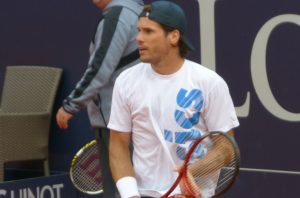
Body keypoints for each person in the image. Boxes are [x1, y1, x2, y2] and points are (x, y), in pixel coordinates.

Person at [108, 1, 240, 198]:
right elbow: (118, 143)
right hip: (142, 193)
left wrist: (189, 175)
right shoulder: (126, 81)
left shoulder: (210, 82)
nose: (138, 39)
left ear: (174, 36)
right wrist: (130, 195)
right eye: (138, 31)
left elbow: (226, 147)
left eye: (148, 32)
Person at [56, 0, 144, 197]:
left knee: (119, 190)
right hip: (135, 118)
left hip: (116, 121)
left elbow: (100, 68)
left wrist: (71, 105)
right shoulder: (137, 11)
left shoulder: (117, 16)